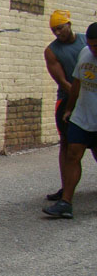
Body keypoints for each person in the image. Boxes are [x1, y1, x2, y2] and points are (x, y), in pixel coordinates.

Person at [43, 22, 97, 219]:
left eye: (96, 46)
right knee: (73, 154)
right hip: (82, 116)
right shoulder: (85, 54)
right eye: (90, 45)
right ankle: (66, 202)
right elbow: (77, 84)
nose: (93, 50)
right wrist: (69, 109)